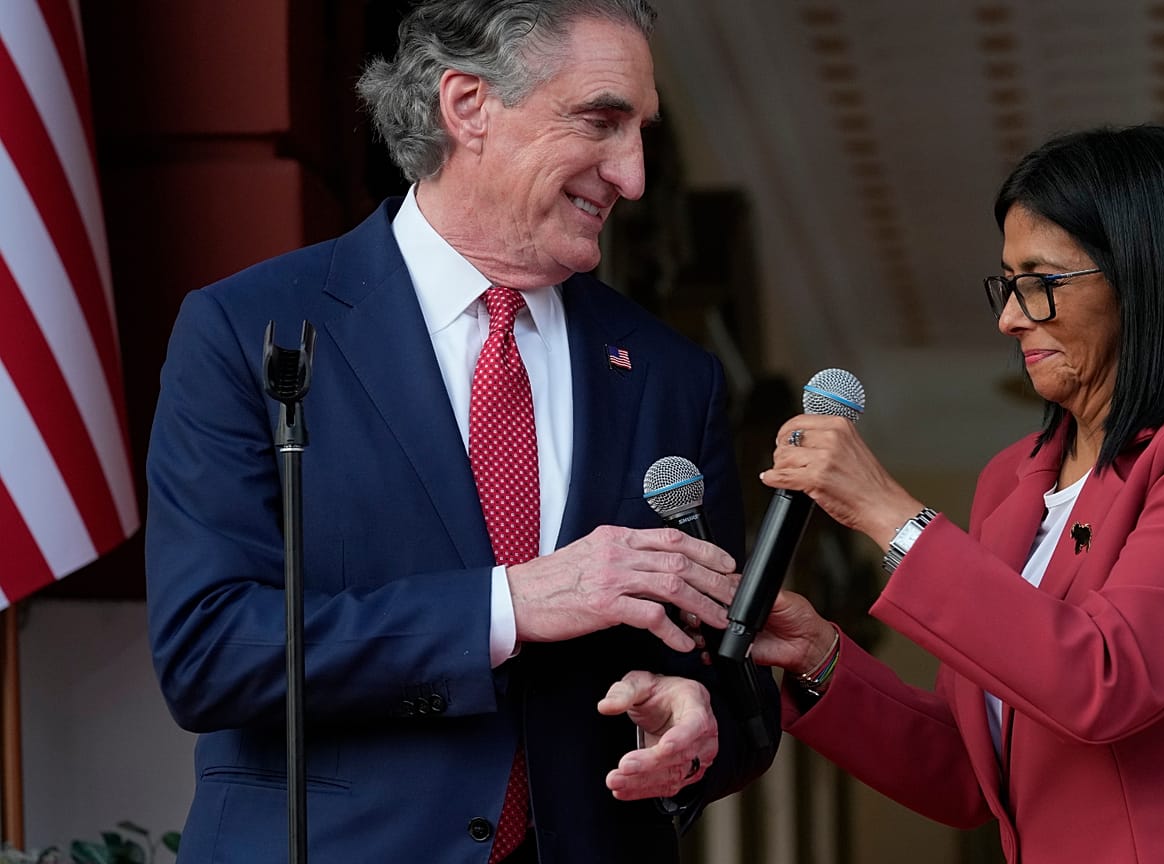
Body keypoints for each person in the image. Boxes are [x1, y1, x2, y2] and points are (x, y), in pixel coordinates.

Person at [144, 2, 777, 862]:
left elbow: (733, 680)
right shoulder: (252, 329)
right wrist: (510, 604)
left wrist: (695, 719)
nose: (630, 174)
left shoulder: (672, 376)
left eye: (641, 133)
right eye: (601, 121)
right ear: (467, 105)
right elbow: (209, 649)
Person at [747, 125, 1164, 864]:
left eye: (1040, 283)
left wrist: (890, 516)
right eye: (1008, 284)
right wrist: (821, 658)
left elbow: (1107, 680)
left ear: (1144, 277)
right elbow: (966, 776)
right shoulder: (1013, 479)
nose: (1010, 317)